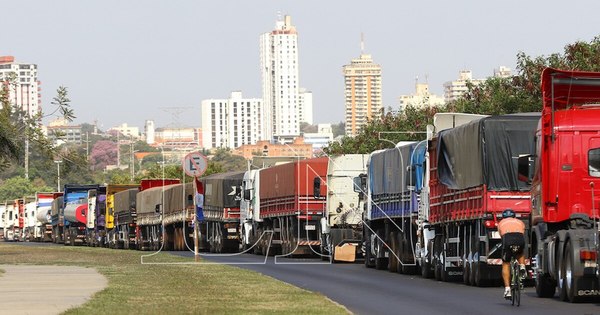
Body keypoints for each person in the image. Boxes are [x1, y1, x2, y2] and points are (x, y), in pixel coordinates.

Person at [498, 209, 526, 299]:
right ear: (514, 216)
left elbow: (501, 236)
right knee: (520, 252)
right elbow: (523, 232)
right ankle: (522, 266)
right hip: (520, 238)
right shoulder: (520, 222)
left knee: (506, 263)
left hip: (507, 239)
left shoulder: (501, 223)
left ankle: (507, 289)